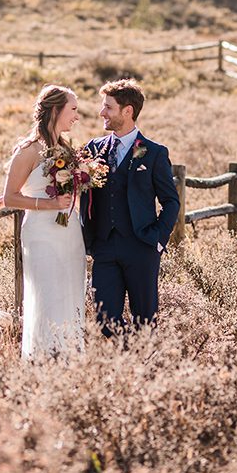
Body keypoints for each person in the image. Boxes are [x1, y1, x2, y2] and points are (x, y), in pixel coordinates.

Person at [79, 79, 180, 336]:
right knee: (104, 320)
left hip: (142, 247)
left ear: (127, 111)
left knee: (145, 322)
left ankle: (142, 369)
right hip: (104, 248)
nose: (102, 113)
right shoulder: (93, 149)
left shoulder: (153, 152)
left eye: (108, 107)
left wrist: (158, 239)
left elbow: (171, 201)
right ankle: (129, 356)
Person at [0, 85, 87, 359]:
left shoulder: (67, 150)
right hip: (42, 234)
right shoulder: (28, 150)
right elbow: (10, 197)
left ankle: (69, 360)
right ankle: (45, 361)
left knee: (72, 296)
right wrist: (49, 204)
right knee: (49, 297)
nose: (77, 116)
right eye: (73, 109)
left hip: (69, 233)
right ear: (56, 110)